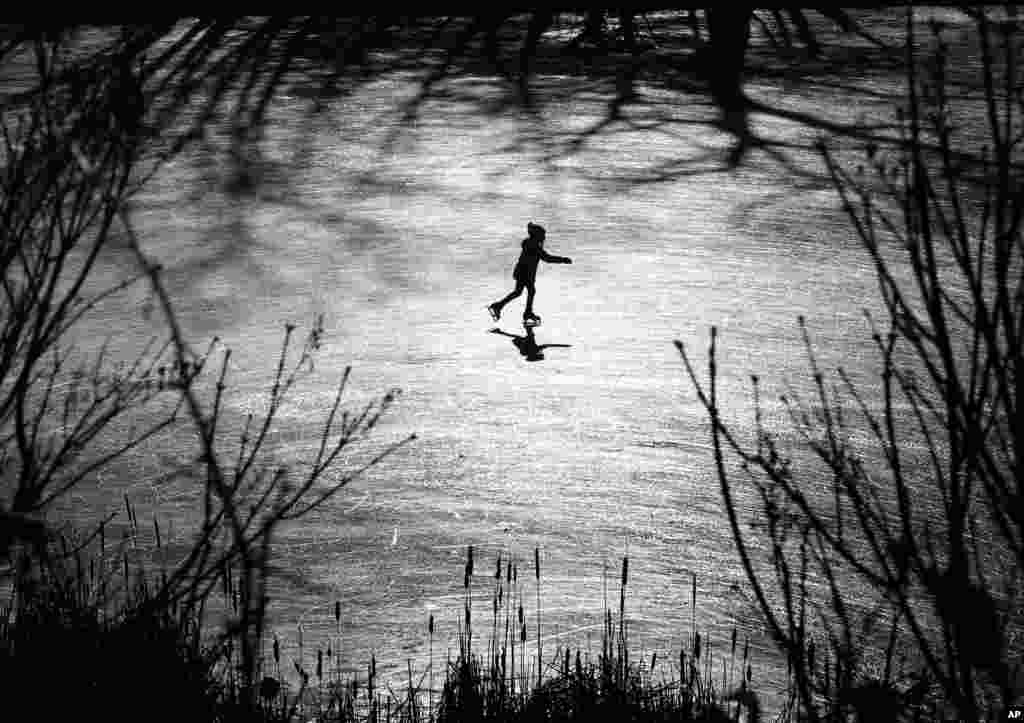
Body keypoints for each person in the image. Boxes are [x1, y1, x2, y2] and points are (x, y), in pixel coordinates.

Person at [488, 222, 572, 325]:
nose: (544, 238)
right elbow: (547, 258)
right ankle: (522, 312)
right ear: (537, 236)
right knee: (528, 291)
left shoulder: (531, 244)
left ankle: (500, 307)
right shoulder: (534, 246)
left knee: (520, 292)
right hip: (525, 273)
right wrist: (563, 260)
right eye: (542, 235)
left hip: (522, 272)